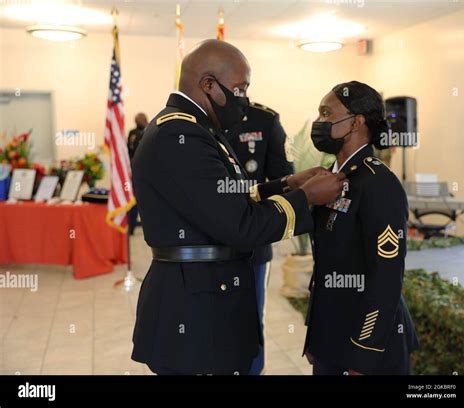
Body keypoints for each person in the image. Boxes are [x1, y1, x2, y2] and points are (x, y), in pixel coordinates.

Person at [131, 39, 346, 375]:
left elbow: (222, 198)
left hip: (205, 297)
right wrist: (306, 199)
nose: (243, 99)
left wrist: (286, 185)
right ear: (207, 84)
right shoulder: (180, 135)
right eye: (239, 89)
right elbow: (240, 226)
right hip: (195, 310)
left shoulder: (197, 128)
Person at [303, 81, 419, 375]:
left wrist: (365, 350)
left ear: (356, 122)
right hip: (333, 334)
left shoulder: (379, 184)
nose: (320, 122)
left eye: (327, 114)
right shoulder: (334, 178)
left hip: (368, 343)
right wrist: (316, 336)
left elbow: (387, 277)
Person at [226, 102, 294, 375]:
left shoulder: (264, 120)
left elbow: (285, 181)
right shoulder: (198, 121)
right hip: (206, 245)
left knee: (251, 321)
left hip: (251, 247)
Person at [127, 113, 148, 235]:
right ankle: (131, 227)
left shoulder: (149, 131)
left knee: (144, 201)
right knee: (134, 200)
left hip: (145, 173)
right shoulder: (133, 133)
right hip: (134, 172)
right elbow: (128, 150)